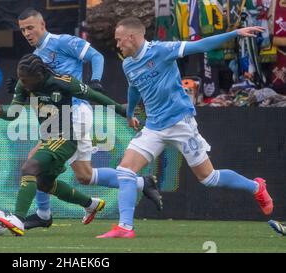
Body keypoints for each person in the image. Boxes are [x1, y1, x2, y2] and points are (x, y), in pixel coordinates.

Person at [97, 17, 274, 238]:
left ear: (131, 37)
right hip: (153, 127)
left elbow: (199, 45)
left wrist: (234, 34)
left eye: (119, 40)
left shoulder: (162, 50)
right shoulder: (128, 63)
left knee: (208, 178)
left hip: (180, 123)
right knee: (125, 170)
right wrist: (131, 113)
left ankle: (256, 187)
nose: (117, 45)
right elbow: (134, 89)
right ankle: (125, 227)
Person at [12, 8, 162, 230]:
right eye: (23, 29)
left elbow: (96, 56)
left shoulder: (62, 42)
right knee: (84, 175)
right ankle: (142, 182)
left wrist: (95, 80)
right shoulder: (36, 57)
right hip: (58, 116)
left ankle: (41, 214)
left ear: (42, 25)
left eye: (30, 27)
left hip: (74, 114)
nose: (26, 32)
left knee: (35, 162)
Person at [0, 54, 128, 236]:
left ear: (39, 76)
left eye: (26, 79)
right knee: (43, 183)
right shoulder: (23, 85)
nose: (22, 82)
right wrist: (1, 113)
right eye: (20, 78)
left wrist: (123, 111)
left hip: (65, 138)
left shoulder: (63, 82)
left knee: (30, 167)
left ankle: (18, 219)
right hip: (49, 138)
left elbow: (95, 96)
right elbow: (14, 112)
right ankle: (91, 204)